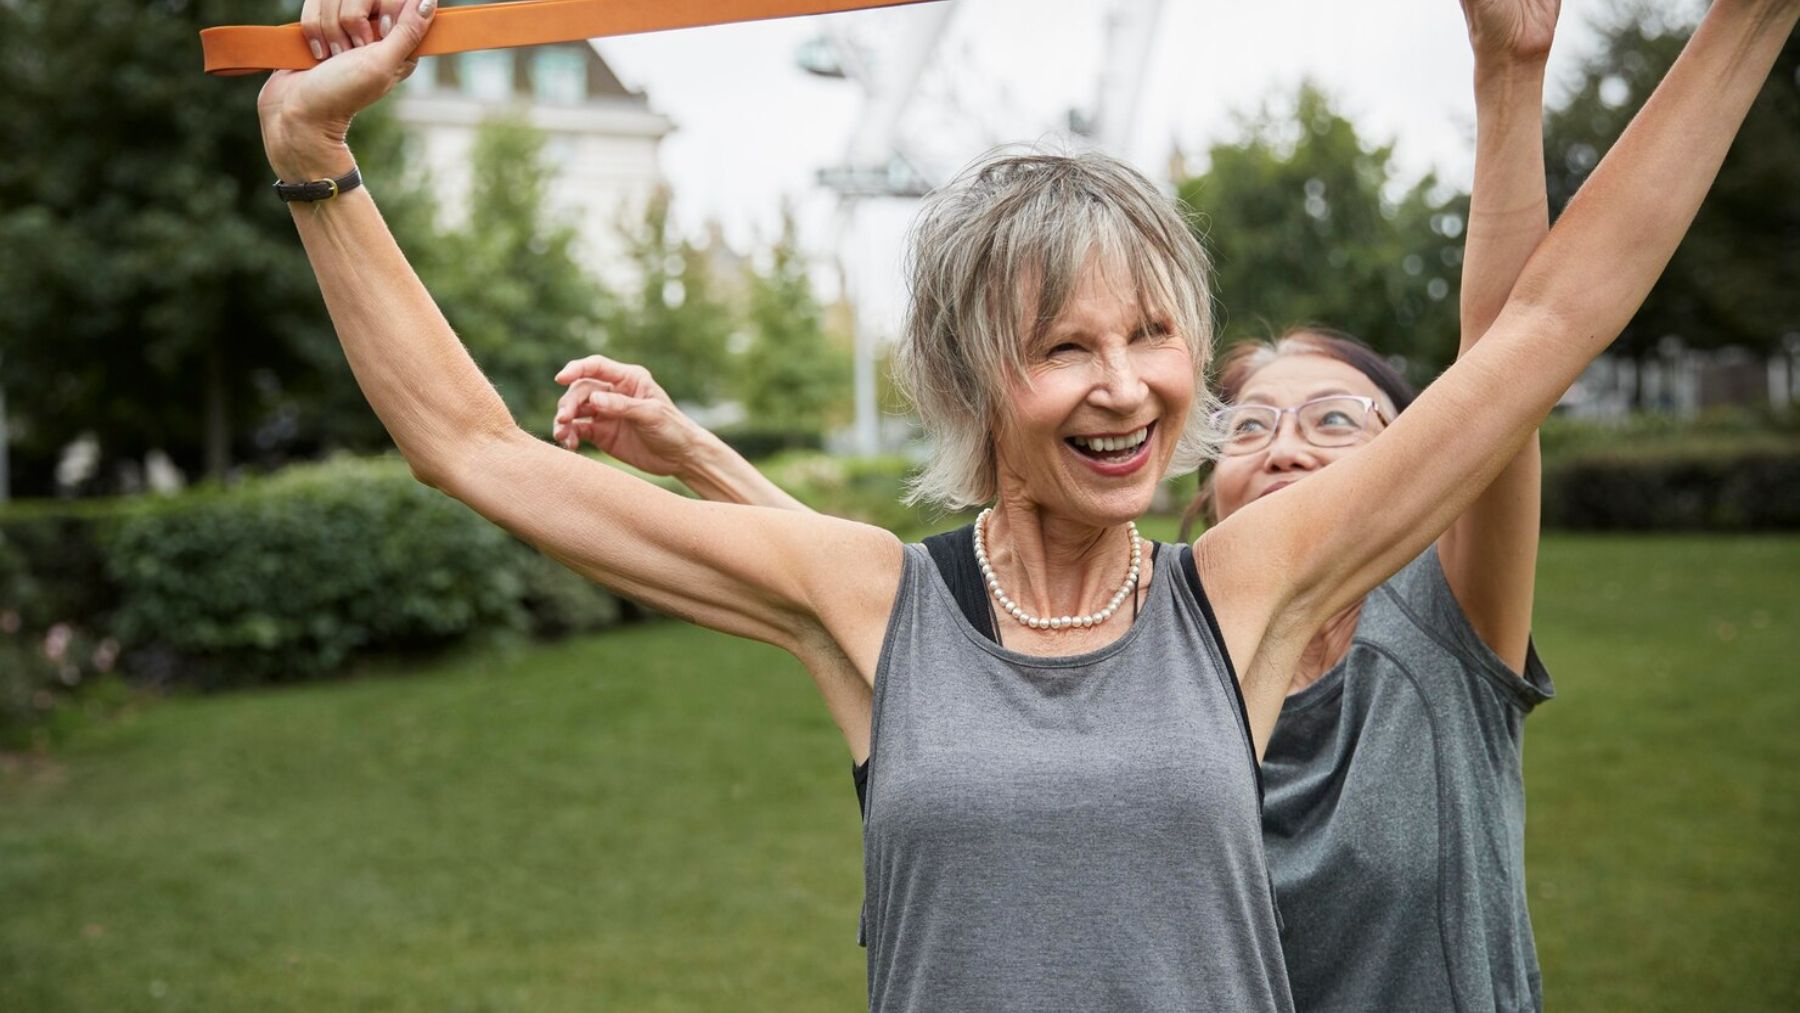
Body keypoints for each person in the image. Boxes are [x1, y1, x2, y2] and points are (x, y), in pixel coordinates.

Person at [258, 0, 1796, 1008]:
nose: (1126, 387)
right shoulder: (872, 599)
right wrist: (314, 150)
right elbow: (473, 447)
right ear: (970, 380)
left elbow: (1545, 328)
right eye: (1065, 347)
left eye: (1155, 335)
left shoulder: (1241, 590)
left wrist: (1749, 20)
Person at [552, 8, 1553, 1010]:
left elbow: (1520, 348)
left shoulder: (1438, 632)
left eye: (1336, 417)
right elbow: (896, 624)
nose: (1288, 444)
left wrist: (1510, 76)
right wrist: (698, 457)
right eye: (1249, 424)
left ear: (1419, 463)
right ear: (1209, 486)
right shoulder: (1191, 655)